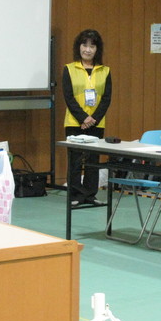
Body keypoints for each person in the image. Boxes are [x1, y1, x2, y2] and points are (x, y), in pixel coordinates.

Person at [63, 29, 112, 206]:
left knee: (93, 161)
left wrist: (93, 119)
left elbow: (106, 98)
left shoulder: (105, 71)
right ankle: (75, 195)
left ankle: (90, 195)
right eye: (84, 45)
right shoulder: (69, 69)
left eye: (92, 46)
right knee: (75, 161)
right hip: (74, 121)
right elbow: (68, 97)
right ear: (79, 47)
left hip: (96, 123)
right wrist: (83, 118)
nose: (88, 49)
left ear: (97, 49)